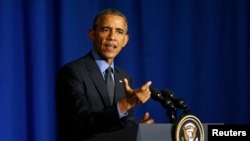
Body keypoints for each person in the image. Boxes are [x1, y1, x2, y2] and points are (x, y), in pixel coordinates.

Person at [55, 8, 154, 141]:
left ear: (125, 40)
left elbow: (122, 127)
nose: (112, 37)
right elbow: (80, 123)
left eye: (119, 31)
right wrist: (125, 104)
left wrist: (136, 130)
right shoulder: (72, 72)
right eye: (106, 29)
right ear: (92, 34)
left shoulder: (124, 77)